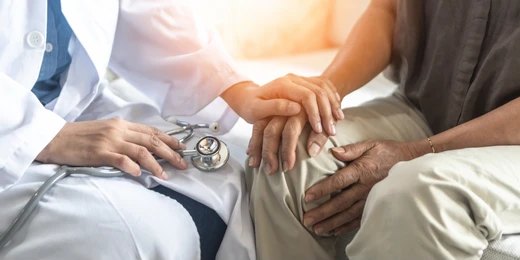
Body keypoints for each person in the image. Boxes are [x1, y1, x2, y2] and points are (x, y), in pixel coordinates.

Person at [0, 0, 342, 259]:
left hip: (75, 105)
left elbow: (145, 8)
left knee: (241, 173)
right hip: (12, 131)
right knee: (133, 234)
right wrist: (46, 136)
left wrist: (238, 90)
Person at [246, 0, 520, 259]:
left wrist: (415, 153)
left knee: (418, 193)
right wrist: (323, 95)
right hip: (426, 106)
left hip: (511, 145)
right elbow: (387, 10)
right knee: (289, 148)